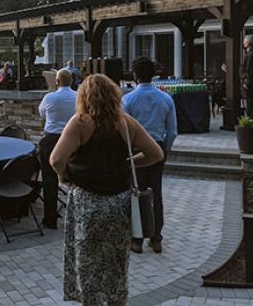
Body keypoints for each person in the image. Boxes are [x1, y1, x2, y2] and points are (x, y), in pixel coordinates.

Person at [50, 74, 164, 305]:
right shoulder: (125, 123)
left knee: (88, 264)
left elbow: (55, 159)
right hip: (118, 205)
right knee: (116, 265)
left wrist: (64, 176)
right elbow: (156, 154)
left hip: (86, 204)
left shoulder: (80, 123)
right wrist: (129, 162)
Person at [122, 57, 177, 254]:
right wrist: (165, 149)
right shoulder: (166, 98)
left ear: (135, 75)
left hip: (136, 151)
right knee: (157, 193)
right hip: (158, 146)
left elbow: (125, 131)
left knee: (136, 193)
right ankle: (156, 238)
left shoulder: (128, 99)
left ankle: (136, 238)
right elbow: (172, 130)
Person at [38, 68, 77, 229]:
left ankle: (50, 218)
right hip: (72, 140)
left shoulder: (50, 97)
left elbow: (42, 114)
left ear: (57, 81)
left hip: (52, 139)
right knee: (75, 178)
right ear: (72, 81)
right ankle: (75, 216)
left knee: (49, 179)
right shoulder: (77, 97)